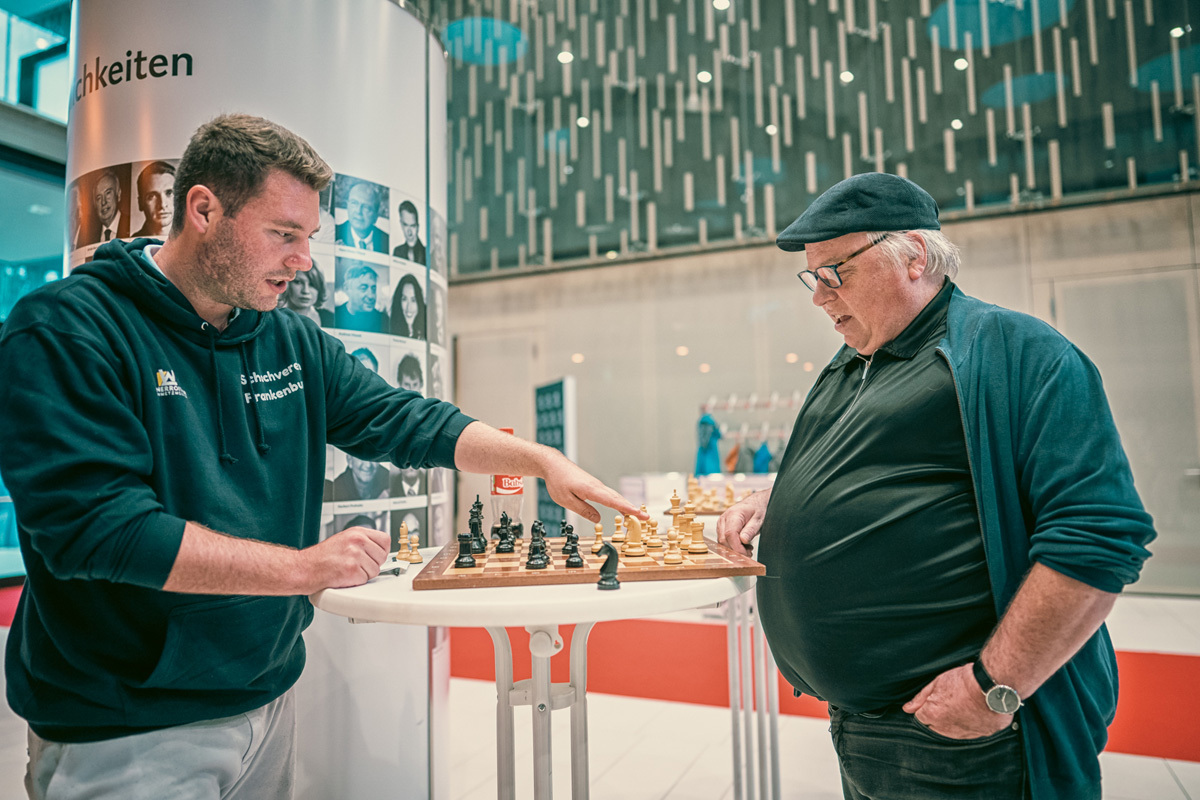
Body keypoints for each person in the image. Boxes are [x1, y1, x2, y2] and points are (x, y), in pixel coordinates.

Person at [0, 113, 642, 800]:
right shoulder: (68, 329)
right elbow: (101, 531)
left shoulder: (288, 340)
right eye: (283, 234)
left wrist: (540, 459)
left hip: (266, 697)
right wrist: (304, 568)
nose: (303, 259)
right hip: (125, 727)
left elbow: (403, 419)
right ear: (204, 210)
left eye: (308, 236)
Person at [716, 173, 1155, 800]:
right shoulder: (857, 363)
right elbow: (878, 472)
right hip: (864, 723)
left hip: (963, 735)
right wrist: (776, 502)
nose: (820, 297)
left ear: (915, 256)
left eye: (836, 271)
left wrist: (993, 687)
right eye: (812, 278)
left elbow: (1098, 537)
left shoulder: (1014, 351)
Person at [334, 261, 389, 333]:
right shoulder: (335, 316)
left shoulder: (384, 320)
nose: (371, 296)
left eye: (373, 289)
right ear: (347, 288)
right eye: (363, 288)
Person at [335, 181, 388, 253]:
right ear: (347, 205)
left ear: (376, 216)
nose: (358, 211)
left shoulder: (386, 242)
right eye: (354, 203)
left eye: (366, 207)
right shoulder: (335, 234)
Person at [277, 260, 334, 326]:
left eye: (312, 284)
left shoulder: (330, 318)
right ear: (287, 284)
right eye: (298, 282)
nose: (306, 291)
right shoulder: (272, 317)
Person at [132, 161, 177, 238]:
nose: (162, 204)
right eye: (151, 196)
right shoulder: (131, 242)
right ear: (140, 203)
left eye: (169, 193)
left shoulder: (193, 239)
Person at [92, 168, 128, 242]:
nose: (103, 202)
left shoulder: (131, 226)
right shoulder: (90, 238)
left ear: (118, 195)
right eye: (99, 198)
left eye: (108, 193)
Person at [390, 272, 425, 339]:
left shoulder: (424, 335)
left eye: (413, 300)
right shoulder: (390, 329)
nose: (409, 307)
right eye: (404, 299)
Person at [392, 200, 425, 264]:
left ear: (418, 227)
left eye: (412, 226)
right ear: (401, 224)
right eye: (405, 225)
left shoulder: (426, 253)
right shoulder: (397, 252)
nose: (409, 231)